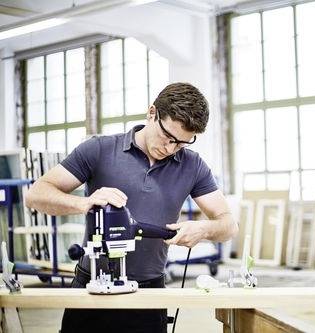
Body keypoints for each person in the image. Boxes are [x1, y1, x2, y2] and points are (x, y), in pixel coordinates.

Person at [25, 82, 238, 333]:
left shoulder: (192, 165)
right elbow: (36, 194)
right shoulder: (99, 150)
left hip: (149, 293)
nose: (170, 149)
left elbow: (229, 226)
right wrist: (84, 202)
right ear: (152, 113)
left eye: (181, 143)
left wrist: (204, 229)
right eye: (167, 137)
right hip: (91, 286)